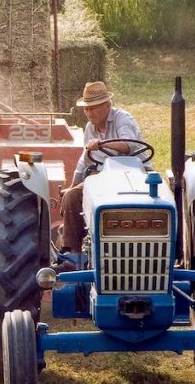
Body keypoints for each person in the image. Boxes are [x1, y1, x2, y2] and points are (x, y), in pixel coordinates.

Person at [59, 81, 149, 255]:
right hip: (103, 178)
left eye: (93, 108)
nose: (89, 113)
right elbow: (83, 161)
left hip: (136, 176)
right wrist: (72, 185)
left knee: (162, 200)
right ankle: (73, 254)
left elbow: (130, 145)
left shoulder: (123, 119)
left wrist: (101, 145)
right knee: (71, 196)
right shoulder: (89, 128)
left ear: (107, 105)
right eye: (86, 109)